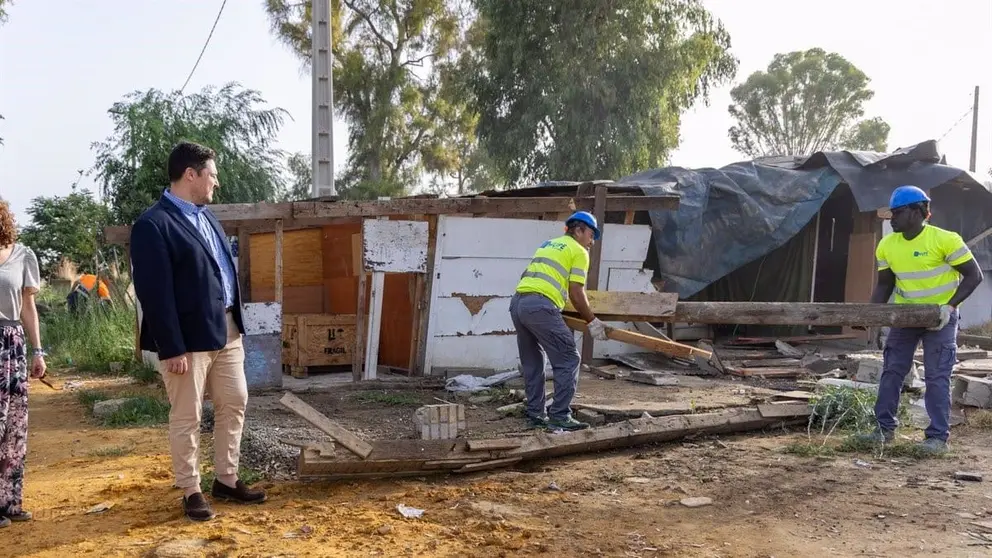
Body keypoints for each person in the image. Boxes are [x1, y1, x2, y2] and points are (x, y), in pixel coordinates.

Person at [130, 141, 265, 522]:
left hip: (227, 329)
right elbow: (154, 294)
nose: (216, 183)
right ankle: (191, 489)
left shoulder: (208, 218)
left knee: (235, 401)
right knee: (187, 414)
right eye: (212, 175)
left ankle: (227, 478)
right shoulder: (153, 225)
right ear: (191, 174)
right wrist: (171, 347)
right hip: (186, 341)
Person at [865, 185, 983, 454]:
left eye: (897, 213)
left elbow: (974, 276)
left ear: (919, 212)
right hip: (905, 318)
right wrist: (871, 314)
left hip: (940, 319)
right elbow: (885, 285)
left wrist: (950, 308)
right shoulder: (886, 246)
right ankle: (883, 430)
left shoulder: (946, 240)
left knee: (937, 376)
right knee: (892, 372)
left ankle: (937, 438)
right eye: (890, 214)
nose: (891, 219)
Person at [510, 211, 608, 432]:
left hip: (518, 304)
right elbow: (576, 291)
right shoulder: (579, 251)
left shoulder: (548, 244)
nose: (592, 242)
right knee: (569, 359)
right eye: (591, 235)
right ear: (579, 230)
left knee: (533, 361)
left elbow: (532, 275)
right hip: (540, 306)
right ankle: (560, 416)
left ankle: (535, 414)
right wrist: (592, 321)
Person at [0, 199, 47, 528]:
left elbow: (28, 306)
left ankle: (9, 501)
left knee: (15, 426)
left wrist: (38, 350)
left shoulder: (22, 254)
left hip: (13, 344)